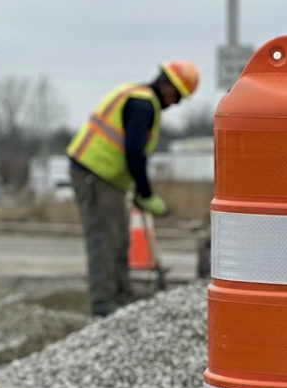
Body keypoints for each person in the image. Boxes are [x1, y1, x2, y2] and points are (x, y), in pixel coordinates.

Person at [67, 60, 199, 316]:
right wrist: (145, 193)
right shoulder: (142, 104)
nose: (175, 104)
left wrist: (139, 191)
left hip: (107, 178)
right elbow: (134, 153)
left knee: (118, 241)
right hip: (94, 174)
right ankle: (104, 306)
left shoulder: (138, 97)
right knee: (104, 242)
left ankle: (120, 299)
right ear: (168, 87)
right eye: (178, 97)